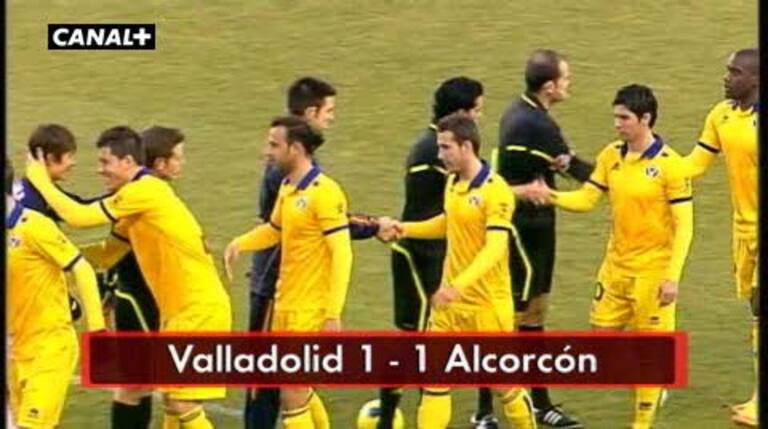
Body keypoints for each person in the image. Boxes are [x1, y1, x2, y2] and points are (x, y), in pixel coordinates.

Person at [25, 126, 231, 429]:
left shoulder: (145, 191)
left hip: (199, 310)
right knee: (174, 401)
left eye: (105, 162)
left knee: (182, 402)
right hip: (180, 311)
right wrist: (56, 261)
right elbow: (108, 252)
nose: (100, 170)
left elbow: (79, 216)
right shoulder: (136, 201)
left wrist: (39, 179)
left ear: (128, 161)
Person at [524, 84, 693, 429]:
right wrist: (551, 196)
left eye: (624, 118)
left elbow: (685, 226)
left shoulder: (671, 166)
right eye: (615, 117)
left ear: (645, 119)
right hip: (615, 268)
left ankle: (641, 422)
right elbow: (588, 199)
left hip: (652, 273)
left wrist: (672, 277)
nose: (617, 124)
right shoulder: (611, 155)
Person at [380, 112, 537, 429]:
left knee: (504, 387)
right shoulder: (453, 183)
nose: (440, 155)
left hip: (486, 307)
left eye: (445, 147)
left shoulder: (496, 191)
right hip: (450, 307)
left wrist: (457, 286)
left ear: (466, 146)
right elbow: (449, 223)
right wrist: (405, 229)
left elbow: (494, 248)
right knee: (434, 383)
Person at [245, 77, 380, 428]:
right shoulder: (285, 170)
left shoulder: (301, 169)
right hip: (275, 284)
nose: (331, 117)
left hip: (294, 288)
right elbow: (291, 226)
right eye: (328, 110)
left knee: (293, 383)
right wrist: (374, 226)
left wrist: (372, 225)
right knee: (267, 381)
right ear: (310, 113)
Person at [379, 76, 500, 429]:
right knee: (414, 342)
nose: (480, 117)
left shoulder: (448, 151)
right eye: (477, 110)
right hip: (421, 258)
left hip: (445, 256)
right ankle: (388, 417)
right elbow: (433, 216)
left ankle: (484, 412)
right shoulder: (430, 155)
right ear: (462, 113)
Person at [225, 116, 353, 429]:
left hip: (309, 310)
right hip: (286, 305)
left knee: (291, 394)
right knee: (300, 391)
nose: (267, 151)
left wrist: (332, 314)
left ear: (295, 148)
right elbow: (275, 229)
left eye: (274, 145)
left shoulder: (325, 192)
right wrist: (240, 244)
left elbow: (343, 254)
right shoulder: (287, 187)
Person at [494, 49, 591, 428]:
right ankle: (492, 408)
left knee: (532, 316)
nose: (569, 83)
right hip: (525, 233)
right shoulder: (536, 125)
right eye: (565, 78)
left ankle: (538, 402)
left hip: (534, 230)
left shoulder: (519, 112)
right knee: (513, 321)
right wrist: (620, 173)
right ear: (549, 86)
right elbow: (578, 170)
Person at [679, 48, 759, 427]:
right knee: (755, 311)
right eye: (728, 70)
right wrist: (649, 162)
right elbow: (694, 165)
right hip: (743, 231)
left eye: (735, 72)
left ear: (756, 79)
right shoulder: (722, 115)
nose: (727, 78)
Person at [7, 158, 106, 428]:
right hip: (18, 352)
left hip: (50, 348)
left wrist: (97, 330)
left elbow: (82, 268)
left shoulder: (33, 227)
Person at [107, 126, 185, 429]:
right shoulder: (137, 197)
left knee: (145, 382)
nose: (181, 163)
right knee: (135, 384)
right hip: (137, 298)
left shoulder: (150, 194)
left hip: (150, 297)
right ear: (160, 163)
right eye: (177, 157)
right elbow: (115, 248)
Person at [15, 124, 105, 323]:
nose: (73, 163)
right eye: (69, 156)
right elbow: (81, 212)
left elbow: (78, 205)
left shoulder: (30, 189)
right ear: (48, 158)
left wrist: (120, 199)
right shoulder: (35, 202)